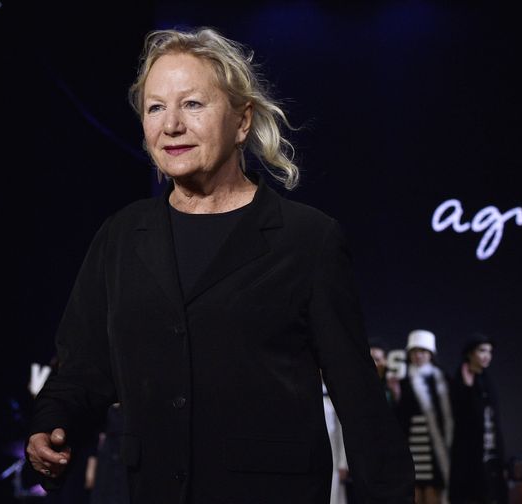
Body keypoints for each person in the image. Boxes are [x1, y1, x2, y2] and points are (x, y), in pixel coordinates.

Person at [25, 27, 414, 504]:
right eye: (155, 107)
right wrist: (52, 424)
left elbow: (359, 398)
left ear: (242, 120)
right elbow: (83, 367)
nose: (170, 125)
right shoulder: (121, 236)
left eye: (192, 104)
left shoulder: (307, 240)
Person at [394, 330, 453, 504]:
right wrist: (396, 393)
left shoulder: (441, 378)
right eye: (414, 351)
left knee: (433, 491)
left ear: (431, 354)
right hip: (411, 447)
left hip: (434, 449)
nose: (419, 355)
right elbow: (398, 415)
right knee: (413, 493)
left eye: (423, 351)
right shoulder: (402, 379)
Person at [449, 335, 507, 504]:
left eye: (489, 351)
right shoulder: (460, 379)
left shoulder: (486, 380)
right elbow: (461, 416)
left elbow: (495, 421)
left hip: (490, 452)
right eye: (482, 350)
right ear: (470, 353)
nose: (487, 355)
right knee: (469, 494)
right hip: (468, 456)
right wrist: (467, 388)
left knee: (492, 495)